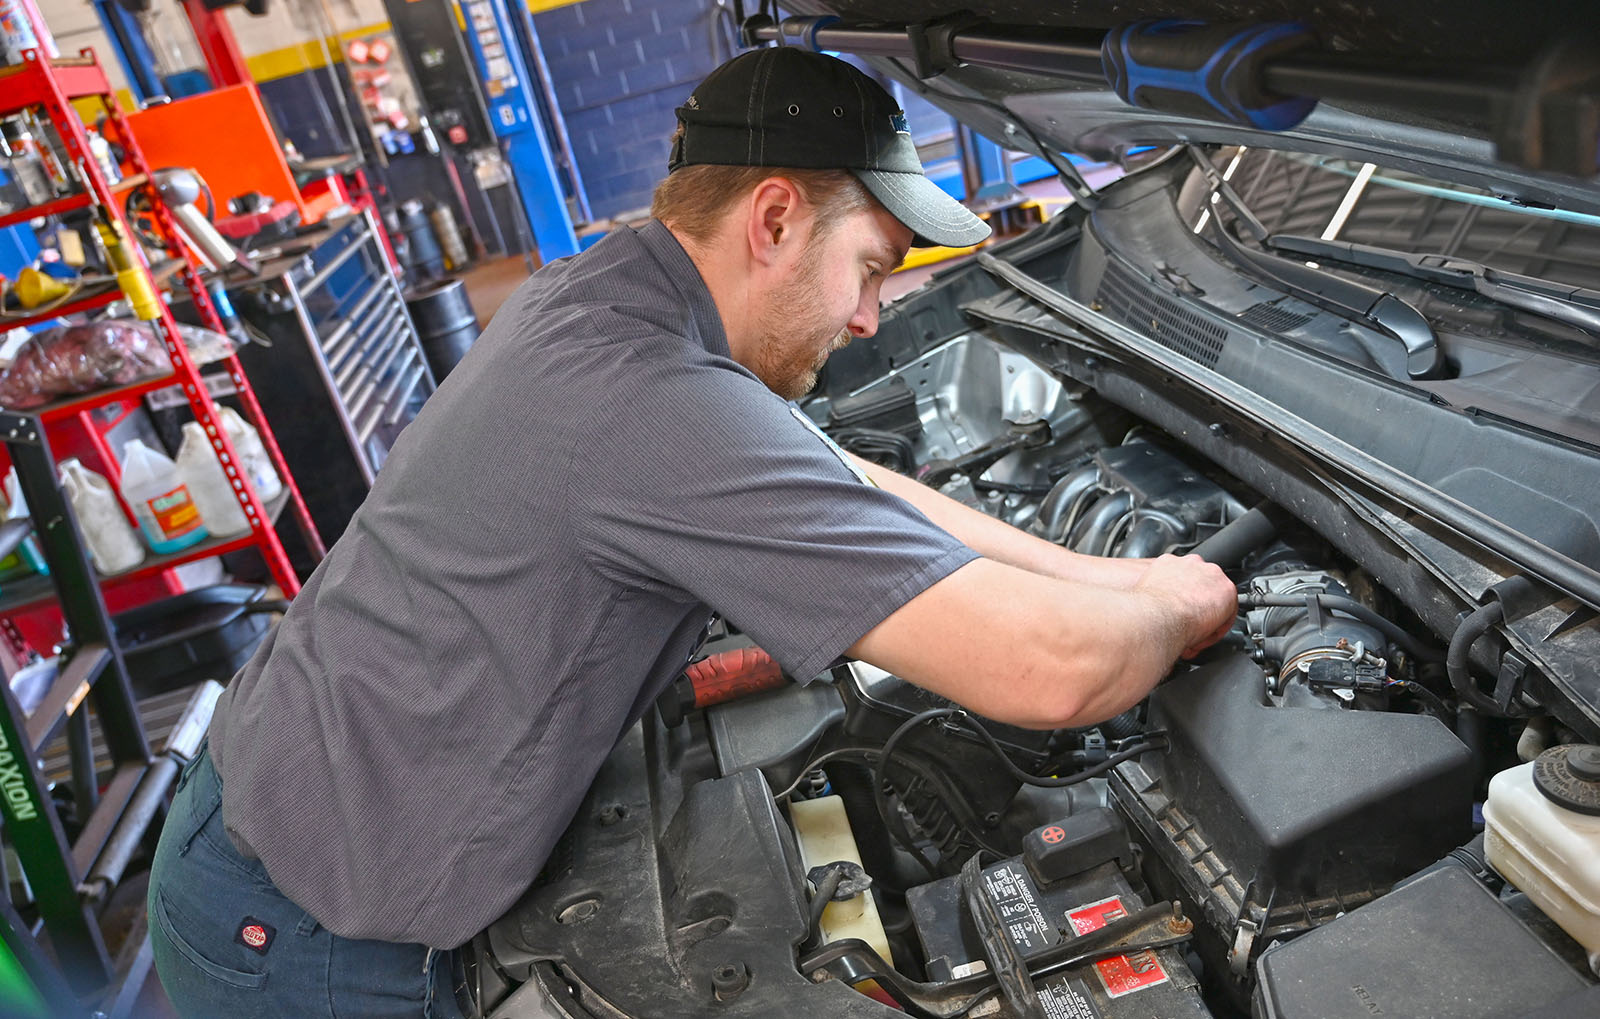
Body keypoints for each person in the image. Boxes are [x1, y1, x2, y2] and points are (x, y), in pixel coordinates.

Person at [146, 46, 1237, 1017]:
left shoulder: (600, 292)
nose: (869, 317)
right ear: (773, 219)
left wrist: (1111, 573)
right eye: (869, 265)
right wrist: (1184, 602)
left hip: (279, 813)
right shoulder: (652, 399)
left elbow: (844, 475)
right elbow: (1050, 673)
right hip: (301, 938)